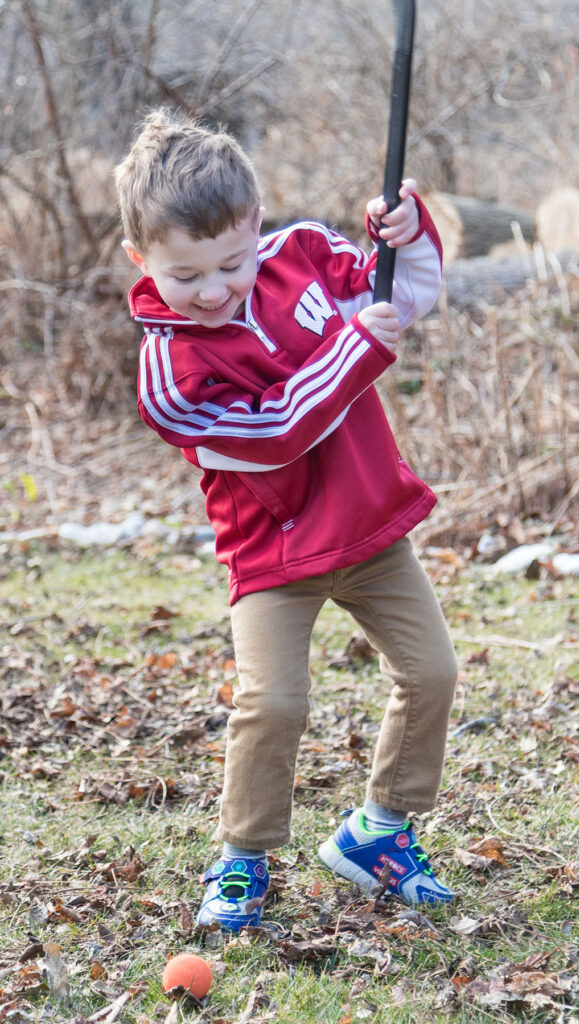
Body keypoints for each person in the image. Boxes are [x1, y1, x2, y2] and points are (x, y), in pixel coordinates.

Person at [114, 109, 458, 933]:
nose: (212, 290)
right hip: (273, 554)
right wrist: (351, 353)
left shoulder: (302, 258)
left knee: (432, 673)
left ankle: (379, 831)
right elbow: (272, 434)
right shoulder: (168, 369)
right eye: (185, 274)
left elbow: (403, 297)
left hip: (369, 527)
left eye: (230, 263)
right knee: (273, 705)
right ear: (141, 259)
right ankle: (242, 856)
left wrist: (404, 238)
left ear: (255, 227)